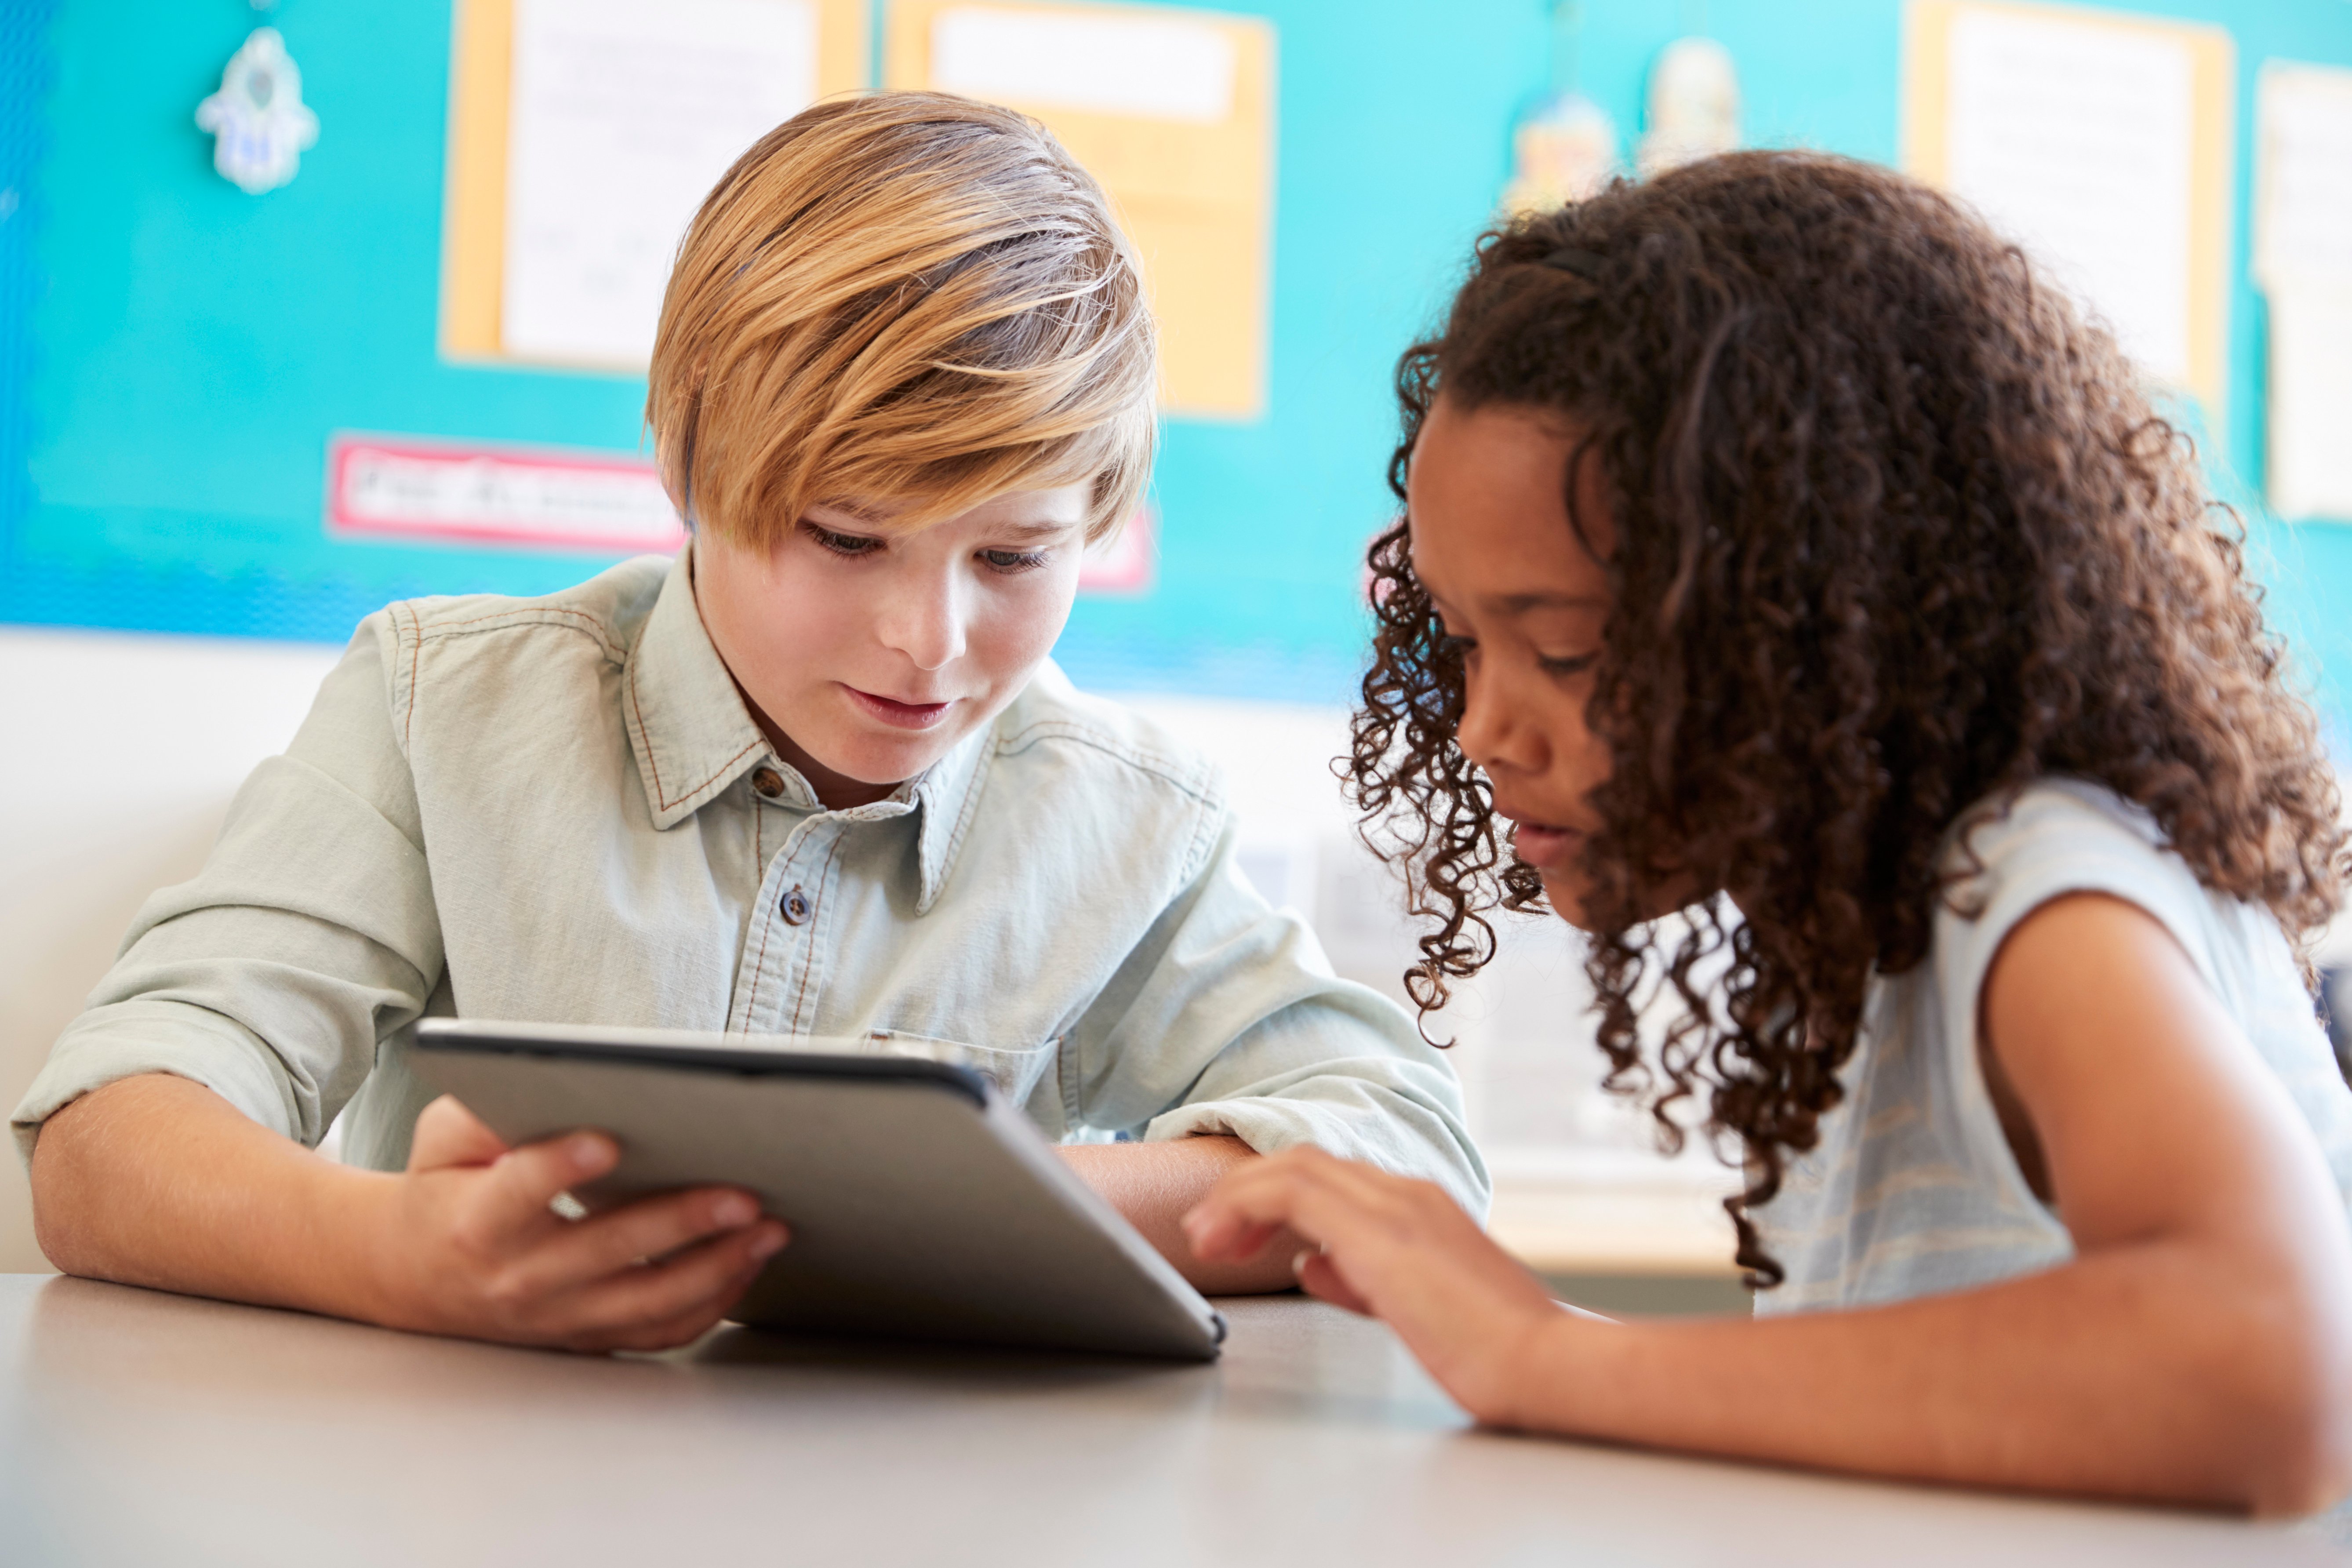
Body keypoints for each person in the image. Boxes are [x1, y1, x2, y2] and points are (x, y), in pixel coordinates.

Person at [18, 93, 1483, 1353]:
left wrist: (995, 1206)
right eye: (846, 541)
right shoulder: (439, 710)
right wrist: (395, 1257)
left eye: (1018, 558)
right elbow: (107, 1136)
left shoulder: (1124, 818)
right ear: (685, 460)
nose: (931, 640)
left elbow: (1410, 1157)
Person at [1183, 150, 2352, 1514]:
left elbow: (2277, 1370)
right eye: (1458, 641)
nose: (1484, 730)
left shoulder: (2040, 894)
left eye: (1566, 650)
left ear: (1822, 611)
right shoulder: (1863, 915)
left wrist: (1538, 1353)